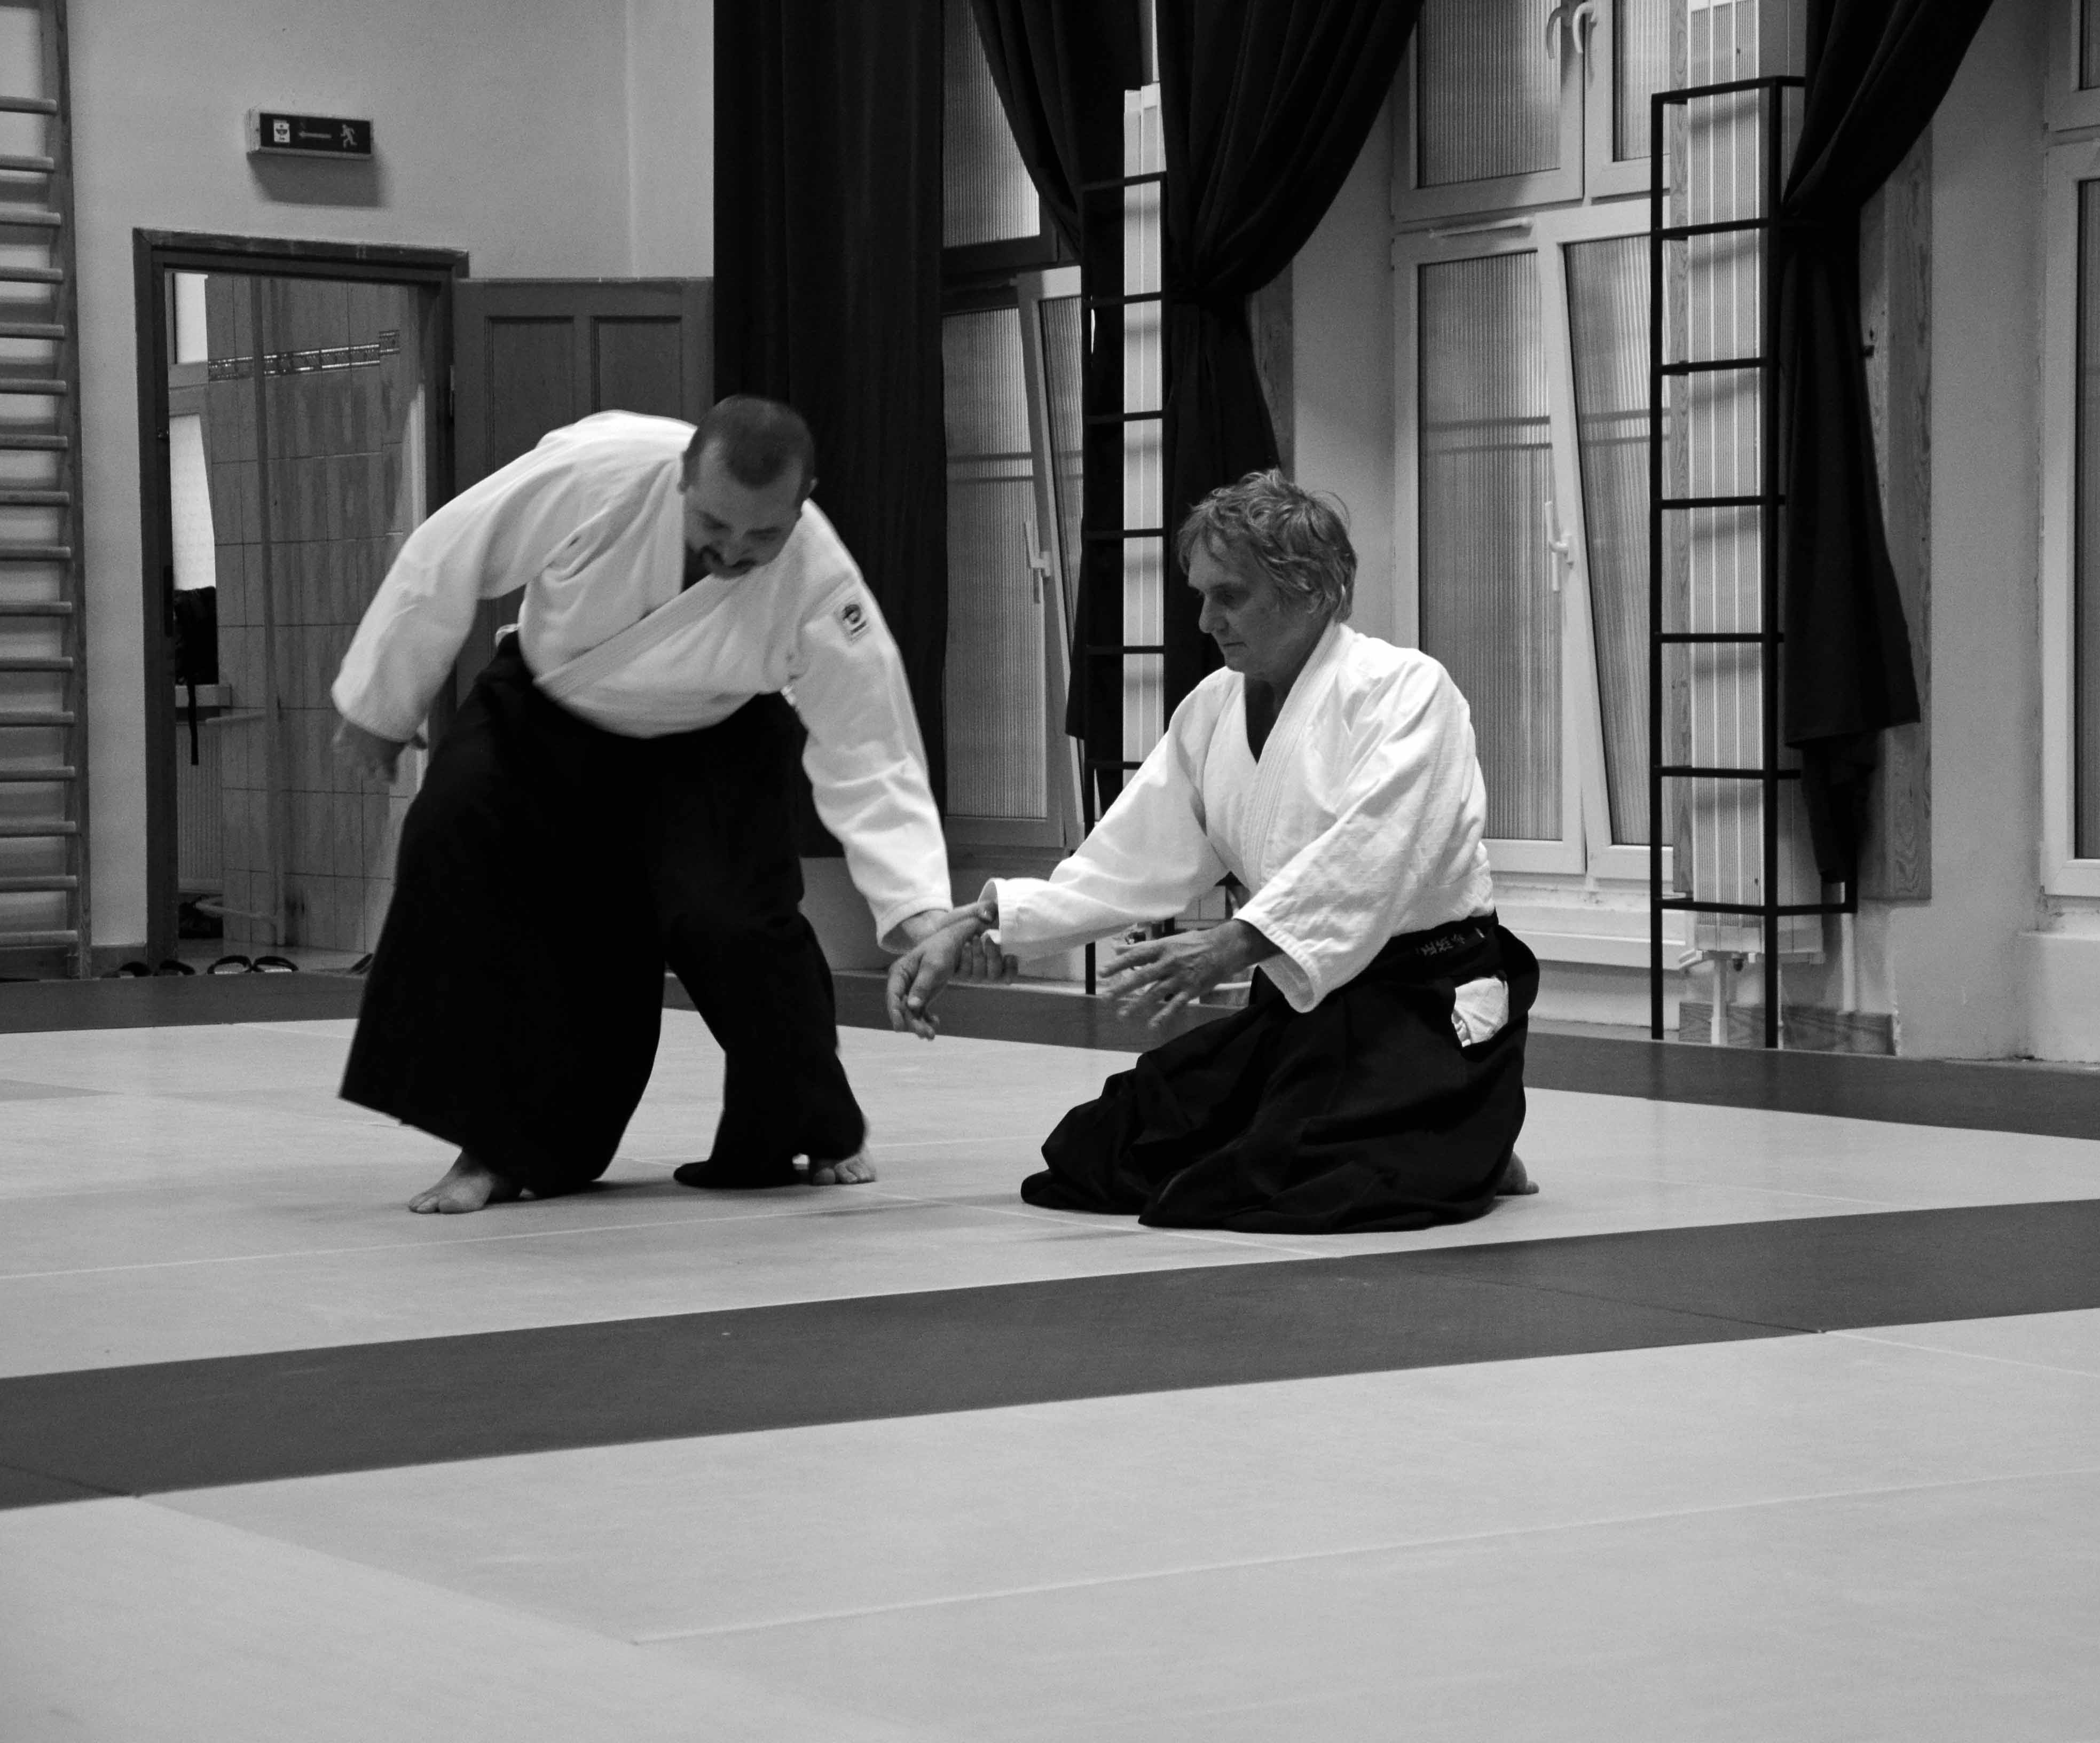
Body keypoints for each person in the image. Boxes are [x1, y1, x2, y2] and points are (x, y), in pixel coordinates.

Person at [331, 399, 957, 1213]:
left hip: (711, 737)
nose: (734, 549)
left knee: (733, 922)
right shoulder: (599, 472)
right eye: (715, 523)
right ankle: (499, 1150)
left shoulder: (820, 576)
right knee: (452, 832)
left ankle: (808, 1121)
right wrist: (381, 705)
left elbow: (871, 745)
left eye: (763, 534)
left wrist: (918, 909)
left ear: (802, 503)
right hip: (545, 712)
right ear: (683, 479)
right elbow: (448, 554)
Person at [890, 470, 1539, 1234]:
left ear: (1313, 590)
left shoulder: (1405, 690)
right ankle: (1445, 1130)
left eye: (1229, 596)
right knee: (1100, 1153)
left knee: (1300, 1183)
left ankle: (1473, 1129)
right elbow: (1132, 855)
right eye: (1201, 594)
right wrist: (986, 923)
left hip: (1420, 994)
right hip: (1302, 1003)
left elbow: (1378, 851)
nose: (1205, 620)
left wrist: (1232, 944)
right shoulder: (1213, 707)